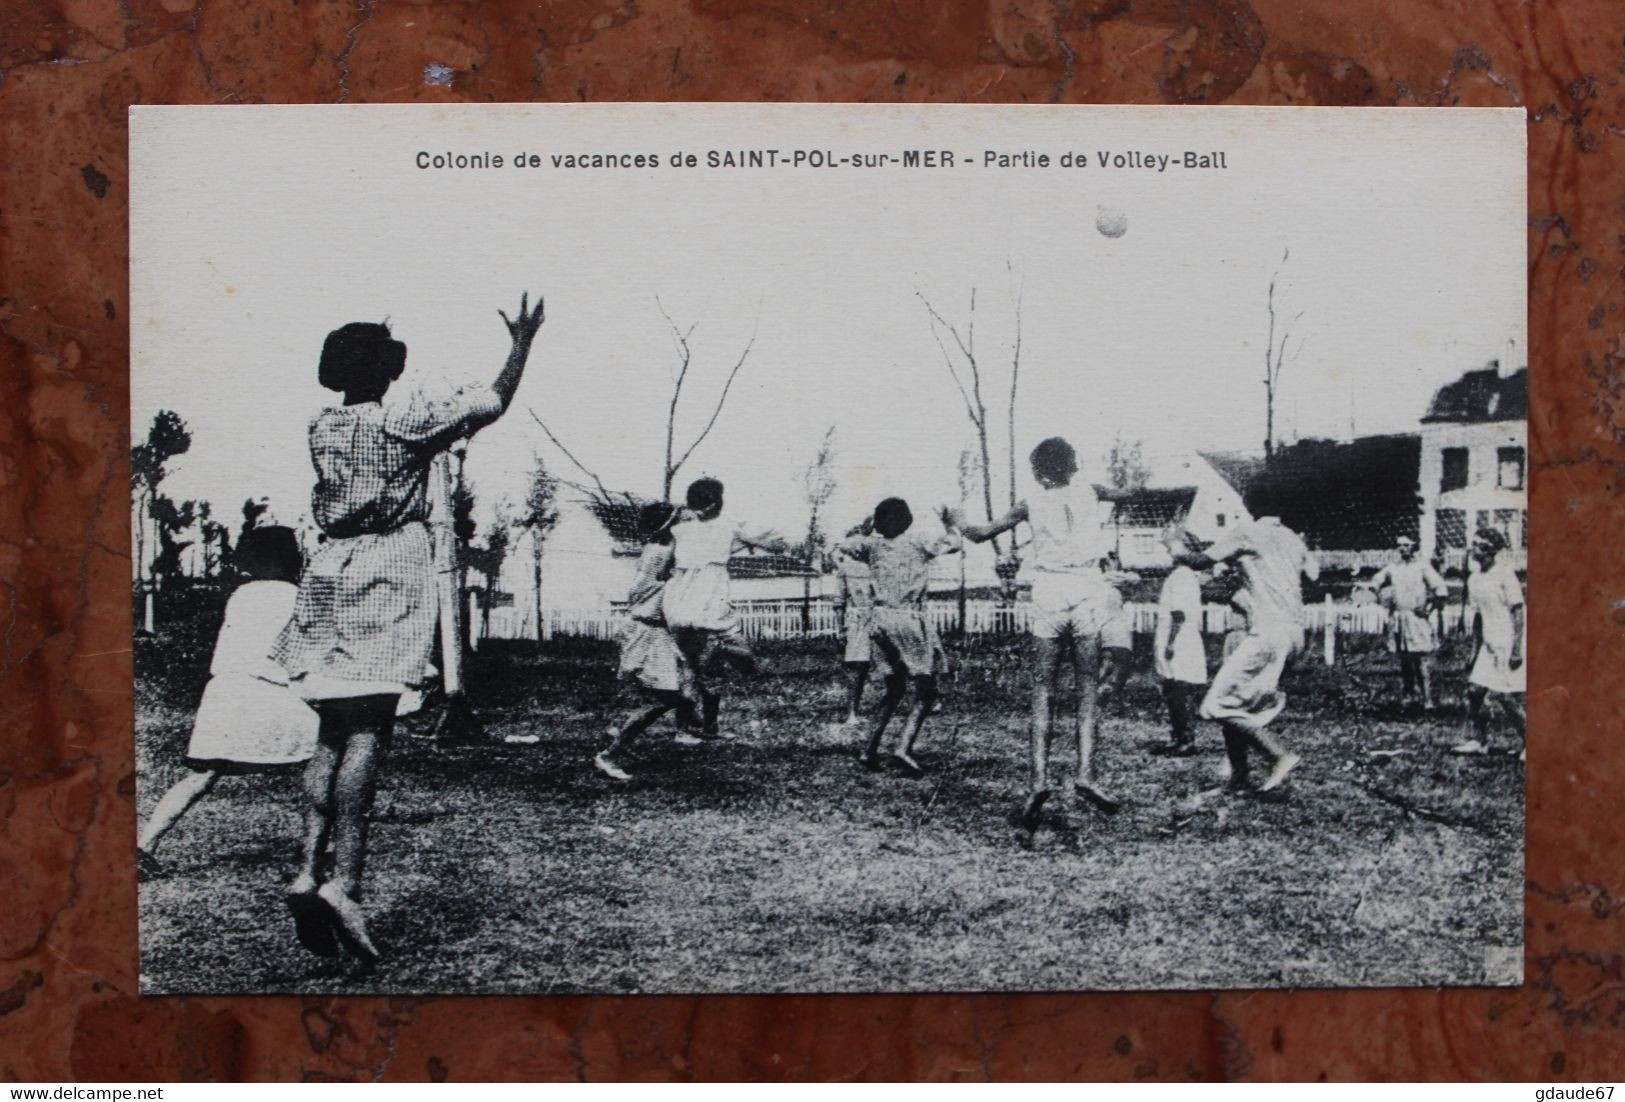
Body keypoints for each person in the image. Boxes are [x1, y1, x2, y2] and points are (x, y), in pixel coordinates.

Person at [272, 293, 546, 963]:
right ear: (388, 370)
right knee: (370, 729)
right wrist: (521, 344)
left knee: (331, 728)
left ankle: (307, 867)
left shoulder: (320, 426)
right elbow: (490, 402)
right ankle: (346, 884)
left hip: (329, 570)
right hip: (387, 570)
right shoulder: (404, 422)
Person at [946, 435, 1120, 830]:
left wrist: (956, 519)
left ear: (1038, 471)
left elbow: (979, 534)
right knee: (1087, 689)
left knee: (1042, 690)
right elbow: (1127, 493)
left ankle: (1039, 780)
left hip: (1049, 595)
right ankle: (1086, 775)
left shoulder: (1030, 502)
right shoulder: (1092, 491)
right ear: (1073, 464)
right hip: (1087, 592)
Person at [136, 527, 317, 877]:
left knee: (200, 776)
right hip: (275, 695)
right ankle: (317, 855)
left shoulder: (241, 595)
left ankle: (145, 846)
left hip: (227, 695)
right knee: (318, 770)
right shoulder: (297, 595)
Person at [1185, 506, 1318, 793]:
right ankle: (1239, 777)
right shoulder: (1292, 538)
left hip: (1268, 631)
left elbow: (1196, 561)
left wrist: (1171, 544)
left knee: (1217, 704)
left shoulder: (1247, 531)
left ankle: (1278, 755)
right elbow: (1312, 576)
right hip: (1293, 630)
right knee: (1238, 703)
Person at [838, 497, 960, 776]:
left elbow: (845, 545)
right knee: (927, 692)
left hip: (879, 621)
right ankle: (902, 748)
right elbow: (954, 543)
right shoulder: (919, 542)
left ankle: (869, 750)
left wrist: (867, 529)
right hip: (907, 619)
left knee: (894, 689)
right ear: (908, 520)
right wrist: (949, 522)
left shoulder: (871, 545)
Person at [662, 476, 790, 738]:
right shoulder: (729, 526)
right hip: (707, 607)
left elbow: (664, 569)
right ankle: (706, 725)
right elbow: (777, 543)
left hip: (677, 605)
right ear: (714, 503)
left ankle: (688, 728)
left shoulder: (678, 530)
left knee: (690, 668)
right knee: (717, 666)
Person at [595, 502, 694, 781]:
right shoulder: (661, 554)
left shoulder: (657, 551)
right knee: (664, 699)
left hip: (653, 631)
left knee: (666, 695)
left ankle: (619, 734)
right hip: (645, 631)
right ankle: (610, 754)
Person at [1452, 527, 1526, 758]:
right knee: (1474, 692)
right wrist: (1474, 651)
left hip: (1508, 641)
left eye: (1475, 544)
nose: (1471, 548)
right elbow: (1478, 617)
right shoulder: (1474, 578)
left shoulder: (1505, 574)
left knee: (1505, 697)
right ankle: (1479, 741)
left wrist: (1516, 649)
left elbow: (1518, 612)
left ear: (1488, 550)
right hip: (1488, 643)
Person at [1149, 527, 1209, 757]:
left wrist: (1171, 642)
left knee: (1181, 689)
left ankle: (1187, 740)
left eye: (1171, 546)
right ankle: (1178, 737)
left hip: (1180, 636)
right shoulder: (1180, 574)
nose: (1168, 550)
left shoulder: (1183, 575)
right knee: (1172, 689)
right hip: (1173, 635)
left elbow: (1179, 614)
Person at [1370, 535, 1449, 711]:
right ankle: (1408, 695)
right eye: (1400, 546)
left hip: (1417, 618)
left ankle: (1427, 699)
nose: (1403, 549)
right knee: (1404, 660)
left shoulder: (1422, 567)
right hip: (1399, 619)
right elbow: (1376, 581)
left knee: (1421, 660)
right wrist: (1378, 593)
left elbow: (1440, 589)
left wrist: (1429, 608)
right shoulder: (1393, 568)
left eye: (1406, 546)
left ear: (1414, 548)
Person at [832, 520, 876, 726]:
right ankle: (852, 713)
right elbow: (839, 601)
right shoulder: (846, 568)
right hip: (858, 618)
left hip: (883, 615)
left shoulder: (880, 564)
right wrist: (840, 628)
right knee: (857, 666)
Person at [1096, 553, 1138, 713]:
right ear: (1105, 566)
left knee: (1108, 662)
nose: (1118, 567)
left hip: (1109, 625)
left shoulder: (1111, 583)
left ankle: (1101, 697)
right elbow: (1134, 578)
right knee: (1122, 660)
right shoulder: (1107, 578)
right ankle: (1109, 698)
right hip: (1113, 627)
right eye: (1114, 563)